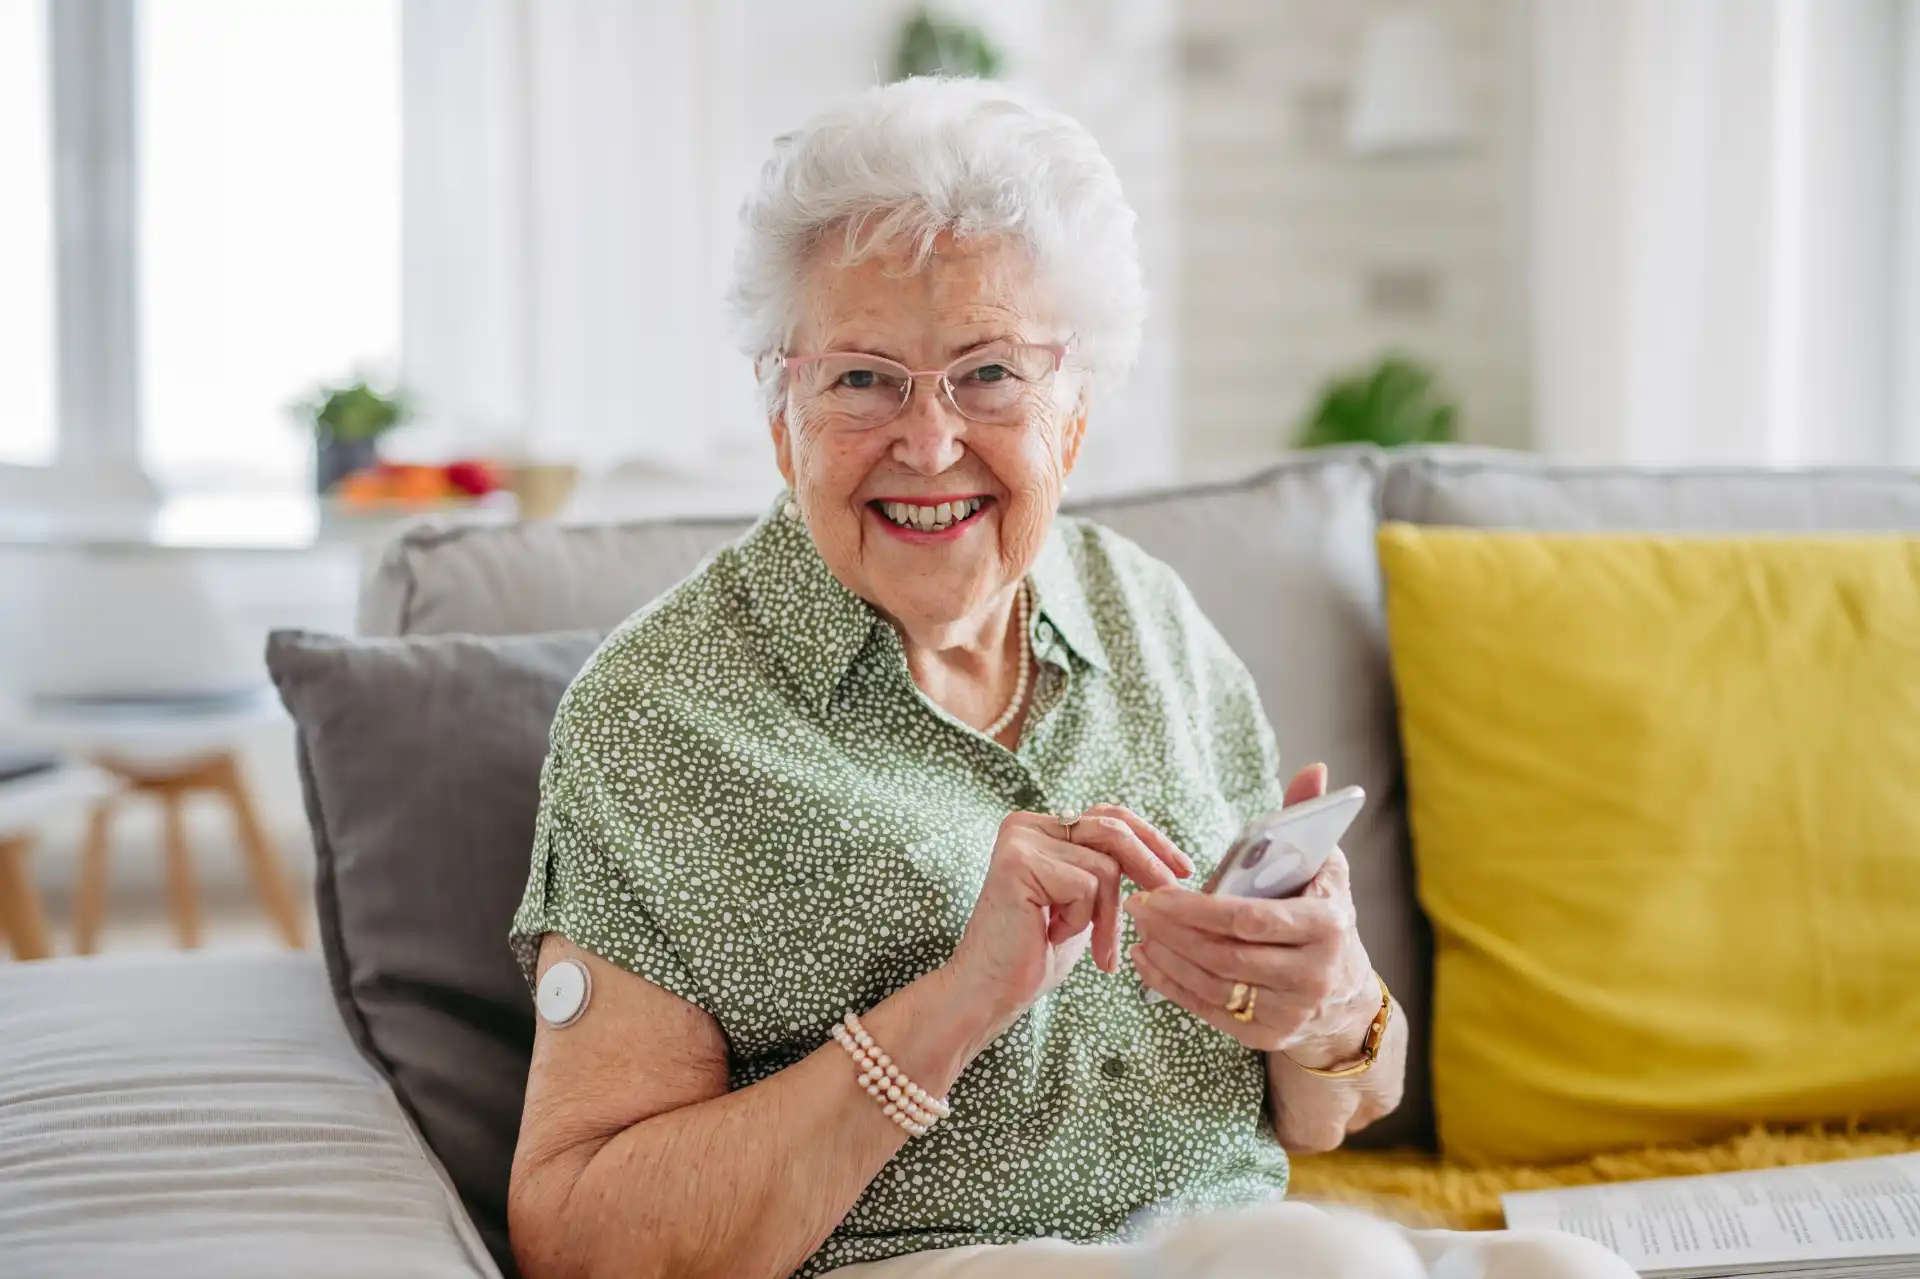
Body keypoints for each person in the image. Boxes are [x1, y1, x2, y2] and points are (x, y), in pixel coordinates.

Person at [504, 77, 1632, 1279]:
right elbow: (578, 1238)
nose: (929, 442)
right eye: (862, 379)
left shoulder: (1153, 622)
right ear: (783, 418)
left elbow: (1328, 1109)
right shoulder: (660, 717)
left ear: (1075, 414)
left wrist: (1329, 1002)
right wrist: (955, 1005)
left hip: (1236, 1240)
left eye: (989, 375)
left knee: (1572, 1269)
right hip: (931, 1260)